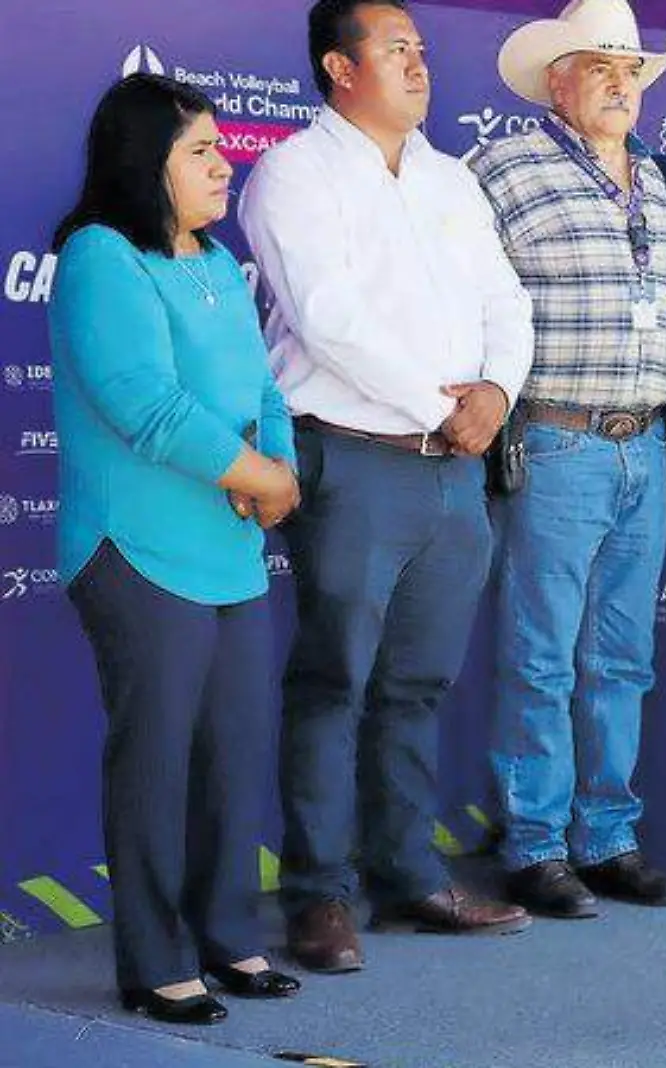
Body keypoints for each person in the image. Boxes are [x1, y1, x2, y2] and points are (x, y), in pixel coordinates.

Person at [237, 0, 535, 973]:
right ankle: (318, 896)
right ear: (339, 66)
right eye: (395, 48)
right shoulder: (293, 173)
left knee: (418, 684)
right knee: (335, 681)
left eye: (420, 47)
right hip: (354, 455)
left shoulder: (451, 178)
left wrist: (495, 391)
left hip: (452, 467)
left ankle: (408, 875)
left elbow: (506, 299)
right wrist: (439, 404)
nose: (419, 61)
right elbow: (327, 320)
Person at [49, 73, 303, 1024]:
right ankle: (155, 961)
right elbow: (144, 405)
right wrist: (260, 478)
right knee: (156, 761)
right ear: (142, 159)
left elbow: (261, 389)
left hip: (229, 547)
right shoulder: (101, 258)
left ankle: (229, 938)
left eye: (220, 146)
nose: (222, 162)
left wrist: (276, 466)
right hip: (137, 548)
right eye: (199, 149)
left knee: (235, 756)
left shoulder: (211, 260)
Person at [468, 0, 666, 920]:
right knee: (542, 655)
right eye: (598, 64)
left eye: (631, 68)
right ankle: (533, 845)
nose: (618, 82)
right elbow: (469, 297)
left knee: (623, 658)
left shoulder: (655, 179)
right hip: (556, 437)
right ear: (555, 79)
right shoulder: (503, 167)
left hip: (646, 440)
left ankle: (608, 837)